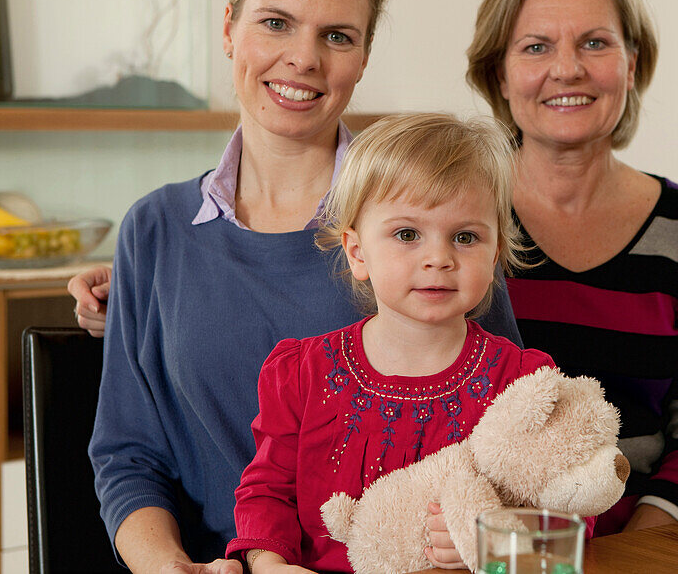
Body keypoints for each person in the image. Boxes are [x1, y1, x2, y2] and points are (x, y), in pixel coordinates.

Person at [81, 0, 522, 574]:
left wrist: (477, 540)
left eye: (337, 35)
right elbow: (128, 452)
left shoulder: (426, 216)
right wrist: (167, 565)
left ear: (364, 56)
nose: (304, 58)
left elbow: (512, 442)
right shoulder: (154, 230)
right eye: (276, 22)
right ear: (229, 28)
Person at [461, 0, 678, 535]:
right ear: (500, 75)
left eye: (595, 43)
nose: (569, 69)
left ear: (631, 65)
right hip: (478, 543)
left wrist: (641, 546)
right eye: (536, 47)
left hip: (646, 542)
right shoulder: (453, 219)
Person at [225, 112, 554, 573]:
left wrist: (498, 547)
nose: (438, 258)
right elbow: (268, 491)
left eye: (465, 237)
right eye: (407, 234)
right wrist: (269, 564)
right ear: (358, 252)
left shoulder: (523, 382)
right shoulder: (303, 372)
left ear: (495, 253)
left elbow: (566, 514)